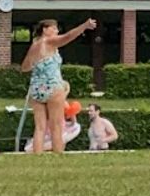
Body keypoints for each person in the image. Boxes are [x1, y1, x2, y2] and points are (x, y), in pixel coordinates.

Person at [21, 16, 97, 155]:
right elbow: (67, 37)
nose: (56, 30)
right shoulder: (49, 42)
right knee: (56, 126)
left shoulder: (35, 45)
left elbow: (25, 67)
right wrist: (84, 26)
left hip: (36, 88)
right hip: (53, 86)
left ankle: (37, 155)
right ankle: (58, 154)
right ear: (45, 30)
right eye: (54, 27)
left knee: (39, 127)